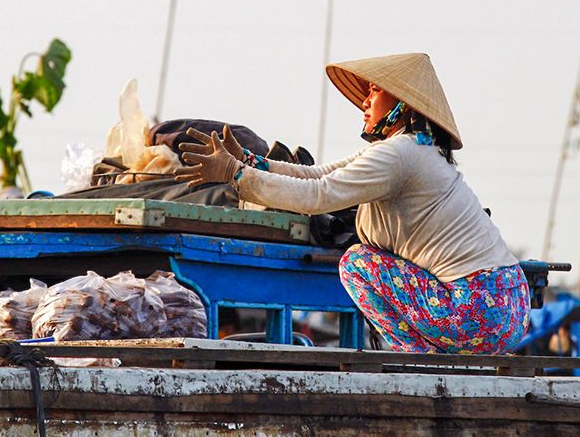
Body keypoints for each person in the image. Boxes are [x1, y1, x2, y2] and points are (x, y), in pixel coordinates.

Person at [175, 53, 529, 354]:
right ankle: (430, 360)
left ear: (402, 104)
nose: (364, 101)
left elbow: (318, 196)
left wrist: (236, 175)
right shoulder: (415, 148)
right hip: (507, 306)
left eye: (374, 91)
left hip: (476, 309)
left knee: (358, 264)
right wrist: (254, 164)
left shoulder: (400, 154)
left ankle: (421, 362)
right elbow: (318, 175)